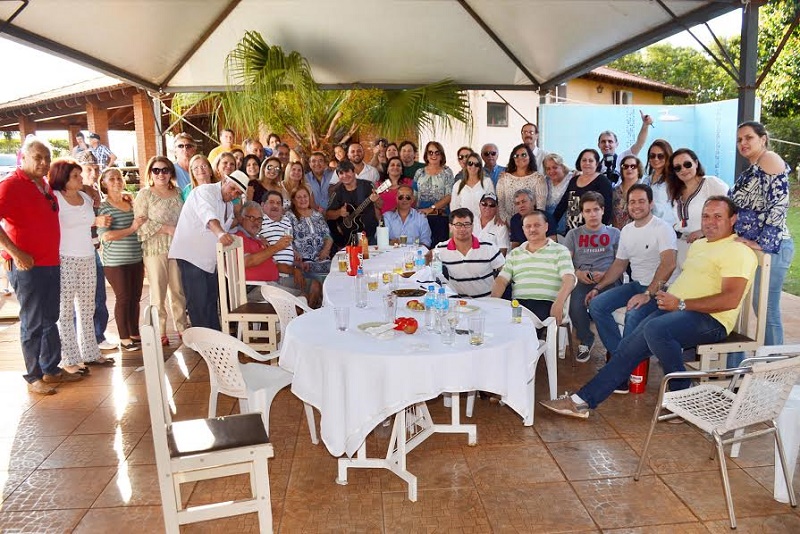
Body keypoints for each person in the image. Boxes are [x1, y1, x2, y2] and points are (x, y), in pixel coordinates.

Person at [540, 197, 758, 419]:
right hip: (676, 310)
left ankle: (682, 397)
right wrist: (660, 297)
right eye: (706, 216)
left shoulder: (738, 251)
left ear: (733, 219)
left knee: (655, 329)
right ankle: (581, 401)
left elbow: (730, 299)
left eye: (718, 216)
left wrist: (681, 303)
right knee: (629, 347)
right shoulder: (700, 244)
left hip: (711, 319)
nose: (710, 221)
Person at [0, 140, 77, 394]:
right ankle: (33, 376)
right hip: (26, 266)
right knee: (32, 322)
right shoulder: (10, 185)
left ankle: (50, 369)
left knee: (49, 319)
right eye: (37, 157)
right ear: (22, 158)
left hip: (50, 262)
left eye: (47, 157)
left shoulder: (44, 186)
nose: (43, 162)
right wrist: (15, 252)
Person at [585, 184, 677, 384]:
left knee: (633, 313)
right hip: (636, 285)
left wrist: (648, 294)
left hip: (661, 290)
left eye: (641, 201)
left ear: (651, 203)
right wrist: (597, 288)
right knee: (597, 305)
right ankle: (621, 363)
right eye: (632, 202)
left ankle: (619, 371)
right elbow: (619, 264)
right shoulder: (626, 230)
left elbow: (669, 264)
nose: (636, 206)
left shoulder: (662, 228)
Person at [730, 120, 794, 348]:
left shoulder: (769, 159)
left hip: (774, 248)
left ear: (763, 138)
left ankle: (775, 367)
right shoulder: (752, 168)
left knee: (766, 308)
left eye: (748, 138)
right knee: (756, 307)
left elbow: (779, 203)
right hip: (755, 249)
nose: (743, 143)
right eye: (739, 140)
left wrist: (764, 243)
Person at [170, 170, 248, 330]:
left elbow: (229, 229)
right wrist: (220, 233)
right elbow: (209, 216)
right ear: (224, 180)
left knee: (211, 300)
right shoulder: (205, 191)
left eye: (238, 193)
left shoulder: (228, 205)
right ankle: (203, 344)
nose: (234, 194)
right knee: (198, 303)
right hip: (191, 256)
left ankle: (215, 339)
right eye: (232, 188)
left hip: (211, 261)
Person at [51, 158, 109, 374]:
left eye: (79, 175)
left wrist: (97, 221)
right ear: (63, 178)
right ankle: (69, 358)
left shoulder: (85, 197)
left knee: (87, 308)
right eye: (75, 176)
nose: (80, 178)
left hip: (87, 256)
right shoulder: (56, 198)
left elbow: (90, 221)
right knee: (65, 311)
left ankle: (91, 353)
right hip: (65, 257)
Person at [134, 157, 188, 346]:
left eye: (165, 170)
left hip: (177, 247)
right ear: (150, 173)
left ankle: (182, 327)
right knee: (158, 292)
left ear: (171, 172)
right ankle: (159, 330)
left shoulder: (179, 192)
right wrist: (166, 228)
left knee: (178, 290)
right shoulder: (145, 194)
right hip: (155, 248)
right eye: (156, 170)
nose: (161, 174)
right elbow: (140, 223)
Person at [491, 210, 575, 327]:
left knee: (521, 325)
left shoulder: (560, 250)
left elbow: (569, 279)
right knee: (496, 322)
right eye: (528, 226)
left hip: (547, 303)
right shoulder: (515, 253)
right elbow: (502, 280)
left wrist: (559, 303)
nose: (532, 229)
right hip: (519, 305)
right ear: (523, 229)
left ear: (546, 227)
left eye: (537, 225)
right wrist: (493, 302)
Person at [563, 192, 620, 362]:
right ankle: (586, 338)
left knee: (600, 305)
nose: (592, 214)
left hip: (608, 279)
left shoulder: (615, 233)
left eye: (596, 209)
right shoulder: (573, 234)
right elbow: (565, 262)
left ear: (603, 210)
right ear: (582, 213)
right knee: (575, 303)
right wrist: (577, 273)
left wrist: (606, 274)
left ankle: (614, 347)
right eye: (588, 211)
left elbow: (621, 262)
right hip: (582, 278)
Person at [97, 168, 146, 351]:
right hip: (115, 262)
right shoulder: (104, 207)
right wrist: (132, 228)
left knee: (135, 297)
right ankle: (124, 337)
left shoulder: (131, 202)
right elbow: (106, 236)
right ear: (104, 183)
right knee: (123, 297)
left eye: (119, 178)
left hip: (136, 257)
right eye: (112, 179)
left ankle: (134, 332)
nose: (117, 181)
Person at [77, 151, 114, 351]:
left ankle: (97, 336)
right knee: (82, 301)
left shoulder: (94, 192)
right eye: (89, 169)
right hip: (77, 251)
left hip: (92, 248)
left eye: (96, 169)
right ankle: (86, 339)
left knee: (98, 295)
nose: (93, 172)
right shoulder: (73, 193)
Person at [666, 148, 728, 268]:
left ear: (696, 163)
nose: (683, 169)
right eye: (677, 168)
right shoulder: (676, 191)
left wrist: (703, 231)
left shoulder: (711, 184)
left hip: (707, 246)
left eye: (687, 164)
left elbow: (730, 212)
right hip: (682, 247)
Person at [434, 208, 505, 298]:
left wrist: (495, 298)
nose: (463, 229)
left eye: (467, 224)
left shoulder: (488, 246)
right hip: (457, 304)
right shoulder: (441, 249)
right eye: (458, 225)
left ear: (472, 226)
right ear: (450, 227)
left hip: (486, 302)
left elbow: (505, 272)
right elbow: (432, 273)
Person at [260, 190, 309, 298]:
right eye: (271, 202)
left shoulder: (286, 220)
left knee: (316, 284)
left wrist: (296, 258)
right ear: (263, 205)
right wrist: (259, 237)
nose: (275, 206)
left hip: (290, 270)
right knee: (312, 289)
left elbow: (286, 244)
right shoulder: (259, 220)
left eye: (278, 203)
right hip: (274, 275)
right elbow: (250, 234)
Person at [287, 185, 331, 307]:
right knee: (316, 285)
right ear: (294, 200)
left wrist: (326, 250)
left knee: (333, 281)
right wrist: (294, 252)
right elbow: (286, 238)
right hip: (303, 263)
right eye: (299, 197)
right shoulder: (289, 216)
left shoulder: (317, 215)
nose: (303, 199)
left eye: (305, 196)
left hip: (322, 260)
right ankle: (310, 313)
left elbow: (328, 236)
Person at [552, 148, 613, 234]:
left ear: (597, 163)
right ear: (579, 162)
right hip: (571, 231)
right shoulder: (574, 180)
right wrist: (551, 224)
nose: (587, 163)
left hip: (592, 233)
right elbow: (563, 203)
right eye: (584, 160)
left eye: (590, 160)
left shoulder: (602, 181)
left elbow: (607, 209)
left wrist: (599, 231)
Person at [234, 201, 285, 301]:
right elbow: (247, 261)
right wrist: (276, 247)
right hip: (256, 289)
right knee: (301, 298)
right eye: (252, 218)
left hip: (272, 285)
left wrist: (293, 270)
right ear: (242, 218)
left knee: (313, 286)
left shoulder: (258, 239)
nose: (256, 222)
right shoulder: (239, 237)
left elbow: (273, 264)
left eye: (259, 219)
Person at [327, 160, 381, 247]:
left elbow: (380, 205)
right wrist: (339, 212)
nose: (345, 175)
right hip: (348, 238)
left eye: (347, 171)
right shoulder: (337, 192)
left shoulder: (367, 185)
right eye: (341, 173)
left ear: (354, 172)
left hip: (370, 235)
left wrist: (376, 200)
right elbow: (328, 215)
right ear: (338, 176)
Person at [413, 141, 455, 246]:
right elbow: (414, 195)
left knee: (438, 251)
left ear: (441, 155)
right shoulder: (419, 172)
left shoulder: (447, 172)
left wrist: (431, 208)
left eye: (437, 152)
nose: (434, 155)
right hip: (421, 218)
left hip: (439, 218)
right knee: (421, 249)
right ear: (426, 155)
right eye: (430, 152)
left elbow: (449, 196)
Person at [496, 144, 547, 223]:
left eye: (523, 155)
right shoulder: (504, 178)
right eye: (516, 156)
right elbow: (501, 205)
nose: (520, 158)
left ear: (530, 157)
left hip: (532, 224)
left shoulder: (538, 178)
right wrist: (509, 225)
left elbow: (540, 207)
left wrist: (530, 224)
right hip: (507, 225)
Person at [450, 151, 494, 218]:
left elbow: (492, 203)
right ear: (466, 165)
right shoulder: (458, 185)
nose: (473, 166)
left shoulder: (487, 182)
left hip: (482, 223)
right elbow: (454, 207)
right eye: (470, 163)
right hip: (464, 224)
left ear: (480, 167)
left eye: (476, 164)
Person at [642, 139, 675, 226]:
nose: (656, 159)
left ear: (668, 157)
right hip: (650, 227)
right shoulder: (646, 180)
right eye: (652, 156)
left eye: (660, 156)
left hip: (670, 227)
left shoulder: (674, 179)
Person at [542, 153, 573, 236]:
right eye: (548, 169)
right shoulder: (545, 181)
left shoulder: (572, 178)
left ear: (562, 166)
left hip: (568, 228)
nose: (551, 171)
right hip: (549, 229)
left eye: (555, 167)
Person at [611, 155, 643, 230]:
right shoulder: (614, 191)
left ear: (638, 170)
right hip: (618, 236)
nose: (629, 169)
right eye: (625, 166)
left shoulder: (644, 191)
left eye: (633, 166)